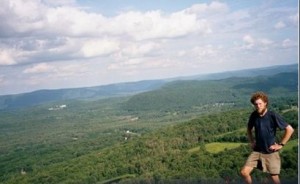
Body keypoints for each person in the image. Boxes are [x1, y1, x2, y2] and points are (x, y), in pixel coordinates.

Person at [240, 91, 294, 184]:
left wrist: (281, 144)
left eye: (260, 103)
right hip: (257, 151)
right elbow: (249, 129)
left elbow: (290, 129)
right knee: (244, 172)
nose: (258, 106)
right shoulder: (254, 115)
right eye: (256, 104)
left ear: (265, 103)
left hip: (270, 152)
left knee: (274, 178)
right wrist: (252, 141)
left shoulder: (273, 115)